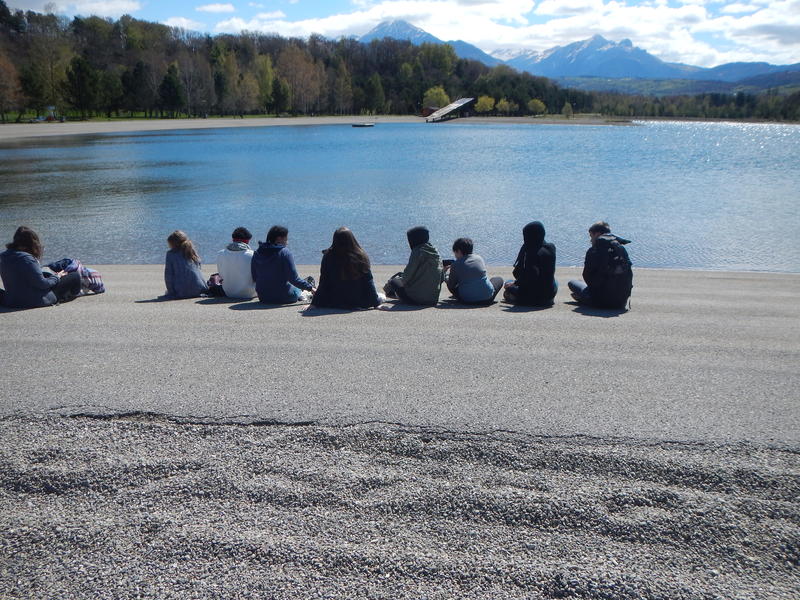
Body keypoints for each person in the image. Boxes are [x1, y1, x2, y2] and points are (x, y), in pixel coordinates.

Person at [0, 226, 82, 309]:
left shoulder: (3, 257)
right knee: (75, 276)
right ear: (32, 243)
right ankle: (73, 293)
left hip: (12, 301)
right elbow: (43, 284)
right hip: (35, 300)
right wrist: (57, 277)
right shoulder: (27, 259)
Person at [311, 227, 382, 309]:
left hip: (335, 301)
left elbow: (324, 281)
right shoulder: (360, 256)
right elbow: (368, 281)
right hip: (359, 301)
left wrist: (314, 303)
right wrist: (376, 304)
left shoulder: (328, 256)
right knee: (381, 296)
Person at [568, 221, 633, 309]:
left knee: (572, 283)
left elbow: (587, 276)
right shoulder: (621, 249)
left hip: (600, 301)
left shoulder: (593, 251)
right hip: (620, 302)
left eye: (591, 236)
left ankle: (586, 298)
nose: (590, 240)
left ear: (597, 234)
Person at [251, 225, 315, 304]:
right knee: (299, 287)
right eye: (286, 239)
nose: (287, 242)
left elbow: (254, 277)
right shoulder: (284, 252)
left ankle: (304, 289)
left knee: (296, 285)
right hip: (284, 297)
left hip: (263, 296)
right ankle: (307, 292)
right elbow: (293, 279)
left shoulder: (257, 252)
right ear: (279, 239)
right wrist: (311, 288)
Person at [383, 226, 442, 305]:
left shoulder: (417, 251)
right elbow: (442, 277)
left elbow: (406, 276)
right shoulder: (435, 252)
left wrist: (390, 284)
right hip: (433, 299)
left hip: (417, 299)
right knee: (401, 275)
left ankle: (390, 293)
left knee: (394, 281)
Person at [503, 221, 558, 306]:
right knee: (554, 281)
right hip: (550, 294)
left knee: (508, 283)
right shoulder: (551, 247)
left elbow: (530, 274)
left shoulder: (531, 252)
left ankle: (515, 297)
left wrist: (515, 283)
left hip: (533, 298)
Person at [443, 237, 504, 305]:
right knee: (498, 279)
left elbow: (451, 285)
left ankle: (469, 293)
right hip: (488, 298)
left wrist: (445, 274)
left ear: (459, 251)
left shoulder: (455, 265)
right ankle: (481, 292)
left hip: (467, 300)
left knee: (452, 283)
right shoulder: (479, 258)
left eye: (455, 252)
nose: (455, 255)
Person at [214, 226, 256, 299]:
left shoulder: (220, 254)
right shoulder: (252, 255)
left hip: (228, 292)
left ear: (233, 239)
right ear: (247, 241)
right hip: (249, 293)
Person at [164, 230, 208, 299]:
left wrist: (171, 292)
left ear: (172, 243)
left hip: (182, 292)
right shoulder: (191, 250)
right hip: (199, 289)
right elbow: (198, 269)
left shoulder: (171, 254)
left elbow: (168, 275)